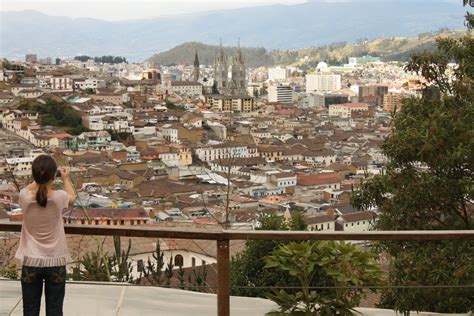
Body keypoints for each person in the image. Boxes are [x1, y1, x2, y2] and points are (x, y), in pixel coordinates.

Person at [15, 155, 76, 316]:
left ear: (34, 176)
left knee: (29, 309)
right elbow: (73, 199)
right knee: (55, 310)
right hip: (55, 261)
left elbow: (32, 188)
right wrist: (65, 179)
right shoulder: (59, 197)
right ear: (52, 177)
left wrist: (39, 179)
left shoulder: (24, 197)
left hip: (31, 260)